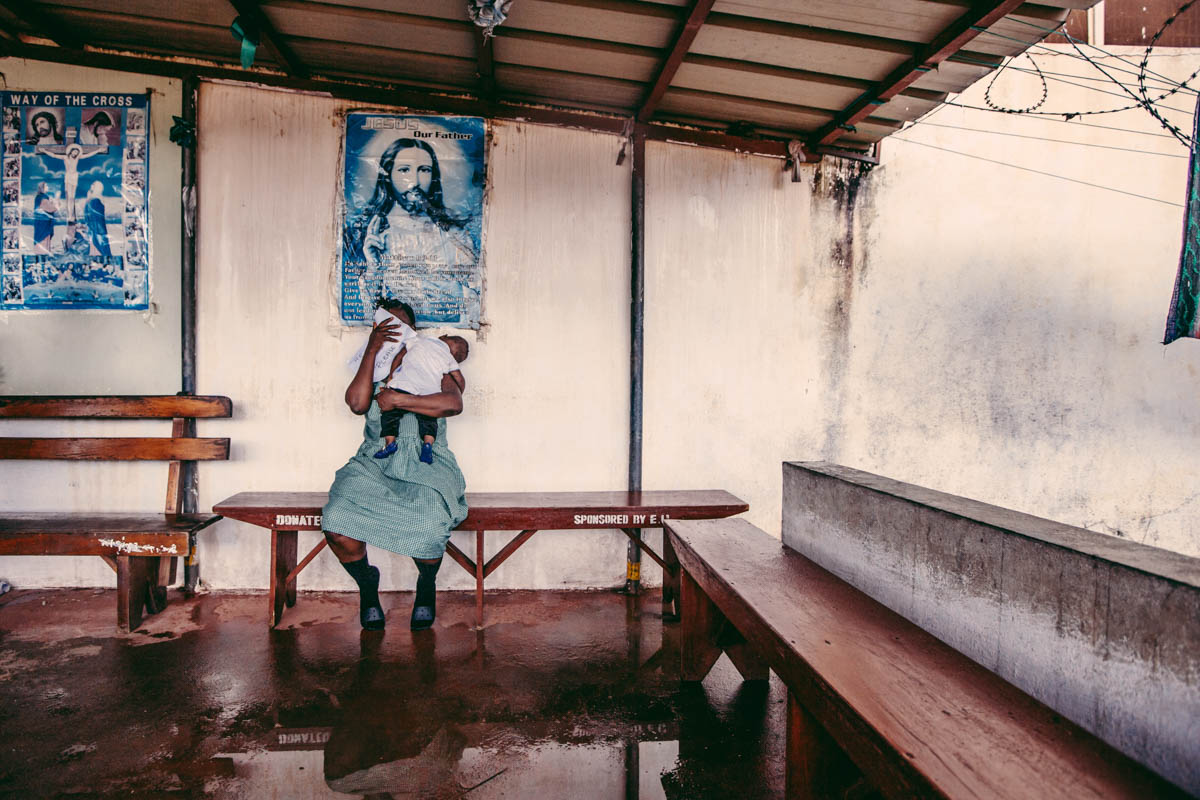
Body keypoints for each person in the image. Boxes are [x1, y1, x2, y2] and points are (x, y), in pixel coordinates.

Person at [322, 302, 468, 632]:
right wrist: (374, 348)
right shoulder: (374, 368)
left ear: (411, 332)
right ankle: (367, 585)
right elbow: (357, 404)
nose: (392, 331)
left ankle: (427, 584)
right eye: (384, 325)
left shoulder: (433, 363)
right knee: (336, 522)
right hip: (375, 462)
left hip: (427, 463)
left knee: (431, 526)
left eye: (398, 325)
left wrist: (399, 400)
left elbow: (453, 403)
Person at [348, 138, 478, 316]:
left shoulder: (453, 233)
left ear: (433, 176)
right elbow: (367, 315)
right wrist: (374, 269)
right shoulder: (368, 234)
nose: (414, 182)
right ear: (388, 175)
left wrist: (454, 289)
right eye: (404, 170)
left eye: (424, 170)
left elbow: (475, 294)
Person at [83, 181, 111, 258]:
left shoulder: (96, 200)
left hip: (96, 227)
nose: (91, 185)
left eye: (93, 184)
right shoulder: (93, 199)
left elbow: (95, 216)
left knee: (98, 245)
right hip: (95, 227)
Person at [32, 182, 58, 253]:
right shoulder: (43, 198)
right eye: (46, 186)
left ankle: (41, 255)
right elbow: (52, 208)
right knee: (42, 240)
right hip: (43, 223)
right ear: (42, 188)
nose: (47, 187)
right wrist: (55, 202)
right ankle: (42, 256)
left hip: (41, 222)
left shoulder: (40, 197)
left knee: (41, 240)